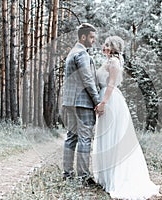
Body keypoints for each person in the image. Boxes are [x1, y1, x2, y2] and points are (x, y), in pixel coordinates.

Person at [93, 36, 160, 199]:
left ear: (115, 48)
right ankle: (106, 176)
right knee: (106, 136)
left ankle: (117, 177)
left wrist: (103, 103)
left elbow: (111, 84)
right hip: (106, 98)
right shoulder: (108, 61)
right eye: (105, 43)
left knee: (114, 137)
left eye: (108, 45)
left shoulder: (114, 62)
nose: (104, 46)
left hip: (110, 100)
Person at [61, 23, 100, 186]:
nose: (93, 41)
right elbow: (87, 79)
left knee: (71, 137)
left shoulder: (72, 53)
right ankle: (83, 176)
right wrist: (97, 100)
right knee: (84, 138)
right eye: (91, 37)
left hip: (69, 102)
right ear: (83, 37)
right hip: (82, 102)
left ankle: (67, 173)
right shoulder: (82, 54)